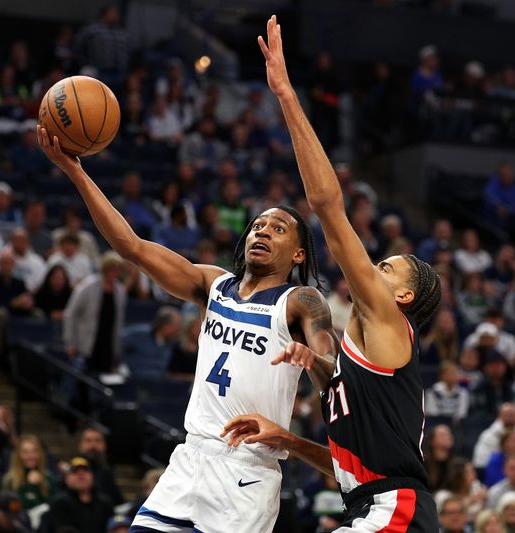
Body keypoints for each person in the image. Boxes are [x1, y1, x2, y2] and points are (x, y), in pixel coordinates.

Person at [38, 82, 339, 532]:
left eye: (278, 229)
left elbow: (334, 375)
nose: (262, 232)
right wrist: (76, 171)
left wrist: (311, 357)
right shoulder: (213, 285)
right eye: (258, 225)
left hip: (247, 472)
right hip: (190, 458)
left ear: (299, 254)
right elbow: (133, 248)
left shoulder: (300, 301)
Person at [222, 17, 442, 532]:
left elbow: (326, 205)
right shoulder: (365, 356)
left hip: (395, 512)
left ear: (404, 294)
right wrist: (291, 437)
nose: (373, 268)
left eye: (386, 267)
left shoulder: (388, 318)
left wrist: (286, 96)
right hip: (378, 508)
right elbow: (351, 471)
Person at [45, 457, 113, 533]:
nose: (81, 474)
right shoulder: (58, 503)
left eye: (85, 470)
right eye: (75, 471)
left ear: (92, 476)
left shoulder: (105, 503)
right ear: (66, 478)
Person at [1, 435, 55, 511]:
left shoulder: (49, 478)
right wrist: (30, 487)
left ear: (40, 454)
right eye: (25, 452)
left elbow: (53, 506)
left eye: (34, 451)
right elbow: (13, 508)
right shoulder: (10, 480)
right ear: (18, 455)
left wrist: (37, 487)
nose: (30, 456)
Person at [77, 426, 124, 508]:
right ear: (80, 445)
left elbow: (118, 502)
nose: (93, 445)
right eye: (88, 441)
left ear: (105, 445)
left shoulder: (107, 474)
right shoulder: (71, 472)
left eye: (97, 441)